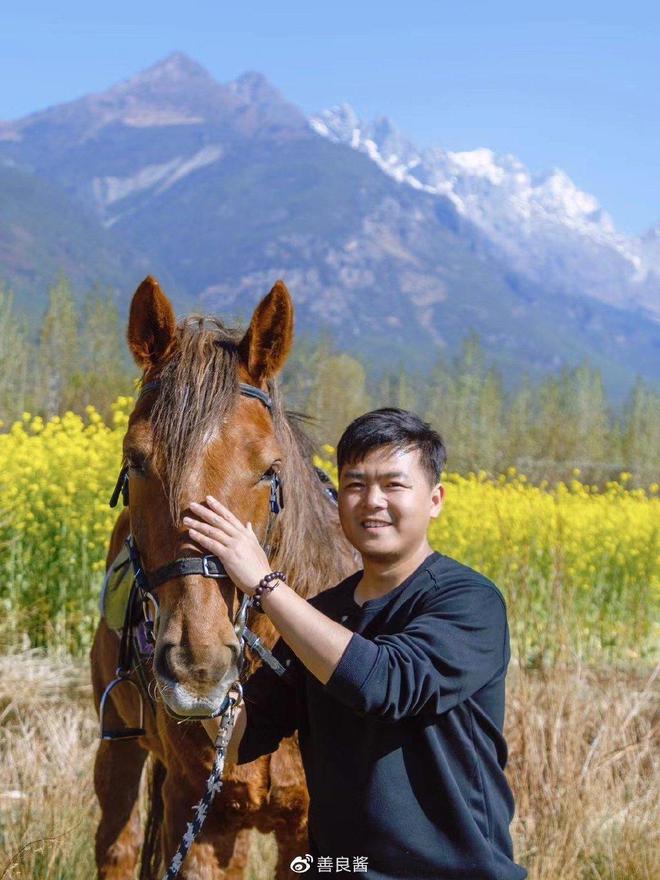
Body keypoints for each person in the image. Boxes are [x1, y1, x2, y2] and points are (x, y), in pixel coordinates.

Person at [185, 408, 527, 879]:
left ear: (435, 500)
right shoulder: (322, 614)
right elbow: (244, 733)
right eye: (355, 485)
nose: (372, 501)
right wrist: (196, 664)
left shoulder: (468, 601)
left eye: (393, 485)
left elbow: (386, 684)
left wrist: (264, 582)